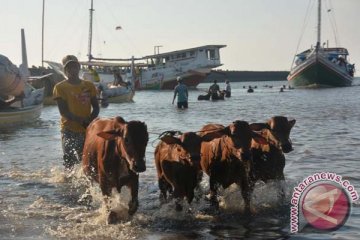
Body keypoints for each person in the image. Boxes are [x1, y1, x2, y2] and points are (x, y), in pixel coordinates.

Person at [53, 55, 100, 171]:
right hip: (69, 129)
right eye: (69, 68)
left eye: (75, 67)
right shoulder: (60, 87)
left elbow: (96, 107)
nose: (72, 70)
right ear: (65, 70)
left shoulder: (88, 85)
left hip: (87, 129)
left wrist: (90, 120)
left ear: (79, 68)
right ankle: (68, 185)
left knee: (88, 160)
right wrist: (80, 120)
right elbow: (63, 112)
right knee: (70, 161)